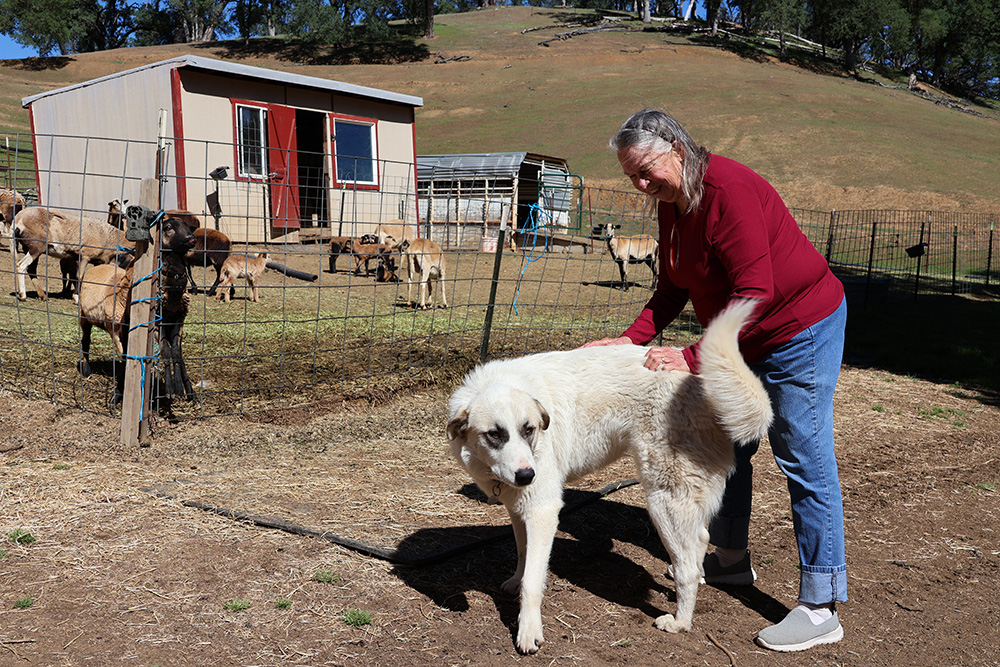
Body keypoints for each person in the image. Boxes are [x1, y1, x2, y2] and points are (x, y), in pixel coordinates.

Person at [584, 108, 848, 652]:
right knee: (727, 442)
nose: (640, 184)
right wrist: (632, 340)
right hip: (738, 338)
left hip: (799, 327)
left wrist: (692, 354)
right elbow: (672, 287)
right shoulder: (672, 202)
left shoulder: (728, 191)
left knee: (801, 449)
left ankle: (822, 604)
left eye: (646, 170)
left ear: (677, 149)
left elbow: (757, 289)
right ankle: (729, 561)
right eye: (631, 175)